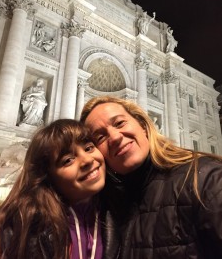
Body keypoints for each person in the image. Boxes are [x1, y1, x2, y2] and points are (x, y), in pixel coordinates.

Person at [80, 95, 222, 259]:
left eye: (120, 123)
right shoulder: (107, 209)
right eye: (100, 137)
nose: (116, 137)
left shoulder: (206, 179)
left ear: (143, 126)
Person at [0, 119, 119, 259]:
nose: (87, 160)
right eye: (68, 160)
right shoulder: (20, 226)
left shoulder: (117, 212)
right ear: (46, 176)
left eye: (89, 148)